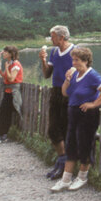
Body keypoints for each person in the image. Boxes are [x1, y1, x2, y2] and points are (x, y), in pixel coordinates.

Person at [51, 46, 101, 192]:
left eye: (76, 60)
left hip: (87, 116)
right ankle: (66, 179)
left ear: (85, 61)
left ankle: (82, 177)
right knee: (71, 144)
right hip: (73, 114)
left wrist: (94, 104)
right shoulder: (75, 74)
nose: (73, 63)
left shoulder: (92, 75)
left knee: (84, 145)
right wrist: (66, 80)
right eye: (73, 59)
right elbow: (65, 93)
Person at [39, 25, 73, 180]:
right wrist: (43, 60)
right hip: (56, 92)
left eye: (52, 36)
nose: (50, 39)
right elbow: (47, 74)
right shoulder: (54, 52)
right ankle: (62, 160)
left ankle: (65, 167)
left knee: (66, 130)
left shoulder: (75, 52)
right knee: (53, 129)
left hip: (70, 95)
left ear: (61, 37)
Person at [0, 45, 23, 144]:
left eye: (5, 52)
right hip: (8, 92)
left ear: (11, 54)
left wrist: (6, 68)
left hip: (12, 93)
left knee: (4, 114)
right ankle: (2, 135)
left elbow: (11, 79)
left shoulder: (15, 65)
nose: (3, 53)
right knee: (4, 113)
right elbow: (6, 77)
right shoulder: (9, 63)